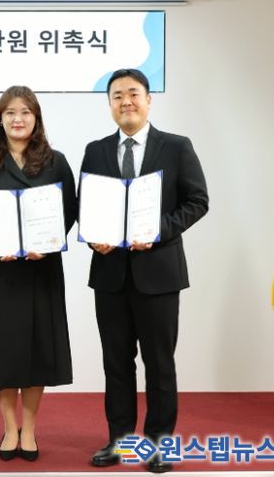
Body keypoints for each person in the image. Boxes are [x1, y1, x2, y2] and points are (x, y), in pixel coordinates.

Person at [80, 68, 208, 474]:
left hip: (159, 274)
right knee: (116, 364)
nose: (126, 101)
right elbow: (86, 206)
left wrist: (158, 231)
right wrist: (93, 236)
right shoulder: (96, 150)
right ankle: (120, 441)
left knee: (159, 363)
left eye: (133, 93)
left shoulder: (176, 147)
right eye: (117, 95)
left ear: (149, 100)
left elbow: (197, 201)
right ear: (110, 104)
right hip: (110, 275)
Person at [0, 86, 77, 462]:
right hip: (0, 271)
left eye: (25, 111)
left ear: (36, 118)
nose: (17, 119)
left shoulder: (55, 162)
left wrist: (50, 242)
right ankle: (10, 428)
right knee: (3, 350)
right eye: (9, 112)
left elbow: (69, 210)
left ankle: (30, 428)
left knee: (38, 350)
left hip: (41, 269)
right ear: (0, 120)